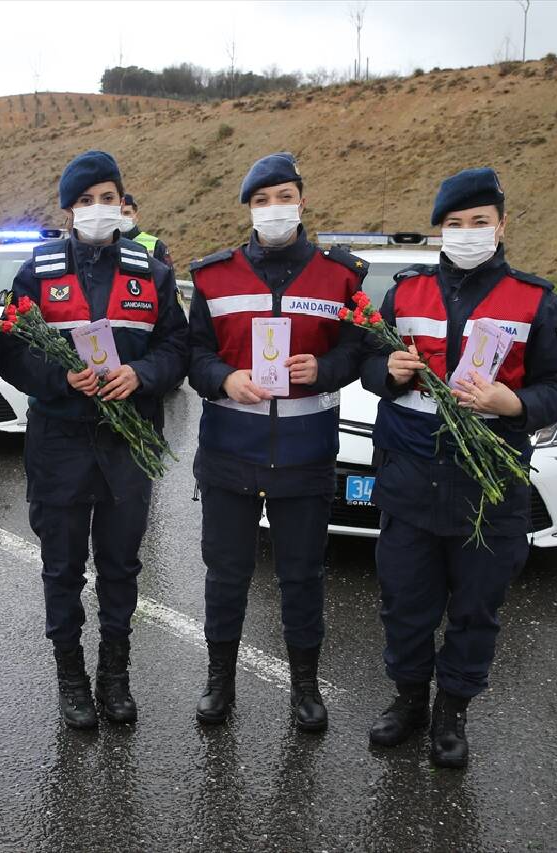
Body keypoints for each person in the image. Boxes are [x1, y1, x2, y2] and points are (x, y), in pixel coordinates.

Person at [361, 167, 557, 767]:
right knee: (405, 602)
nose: (465, 233)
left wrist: (515, 404)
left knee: (476, 607)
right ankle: (408, 701)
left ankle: (451, 712)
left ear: (501, 226)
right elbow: (370, 367)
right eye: (454, 224)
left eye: (478, 222)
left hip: (488, 485)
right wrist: (388, 372)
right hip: (409, 479)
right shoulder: (405, 292)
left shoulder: (534, 299)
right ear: (440, 232)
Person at [0, 150, 189, 729]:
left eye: (108, 198)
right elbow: (11, 352)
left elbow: (176, 350)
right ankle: (71, 679)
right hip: (59, 442)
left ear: (123, 204)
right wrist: (59, 378)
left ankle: (115, 675)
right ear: (68, 210)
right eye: (86, 200)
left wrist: (142, 375)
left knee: (121, 566)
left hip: (127, 447)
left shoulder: (151, 271)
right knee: (61, 567)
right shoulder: (38, 272)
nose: (98, 209)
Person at [186, 152, 366, 733]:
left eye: (283, 196)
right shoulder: (213, 277)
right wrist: (222, 378)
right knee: (226, 574)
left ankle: (305, 688)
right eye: (261, 200)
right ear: (248, 209)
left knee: (302, 576)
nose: (273, 208)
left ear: (302, 201)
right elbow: (193, 355)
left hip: (306, 454)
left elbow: (358, 352)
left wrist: (327, 368)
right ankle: (220, 682)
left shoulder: (342, 276)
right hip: (228, 453)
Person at [120, 193, 173, 267]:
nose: (122, 217)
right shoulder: (104, 245)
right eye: (118, 214)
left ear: (135, 214)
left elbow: (167, 276)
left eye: (126, 213)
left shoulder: (156, 245)